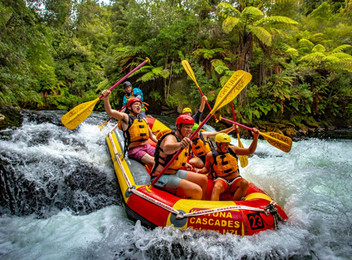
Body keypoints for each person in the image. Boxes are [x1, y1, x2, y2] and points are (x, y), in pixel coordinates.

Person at [151, 115, 208, 200]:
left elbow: (175, 158)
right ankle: (193, 210)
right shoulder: (170, 137)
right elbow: (167, 148)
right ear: (178, 126)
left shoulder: (185, 138)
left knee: (204, 179)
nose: (189, 130)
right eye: (186, 127)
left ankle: (202, 205)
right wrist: (180, 144)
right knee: (197, 190)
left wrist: (185, 163)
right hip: (160, 176)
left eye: (190, 128)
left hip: (175, 172)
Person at [197, 131, 259, 201]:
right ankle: (214, 207)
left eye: (228, 144)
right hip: (221, 179)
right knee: (217, 187)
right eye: (224, 144)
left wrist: (255, 137)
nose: (227, 146)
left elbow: (250, 151)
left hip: (235, 178)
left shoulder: (233, 149)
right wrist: (198, 171)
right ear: (218, 144)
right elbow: (206, 168)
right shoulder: (210, 155)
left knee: (244, 183)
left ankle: (235, 203)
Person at [102, 89, 157, 166]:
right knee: (155, 161)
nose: (138, 106)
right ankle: (156, 177)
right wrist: (106, 98)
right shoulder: (126, 118)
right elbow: (110, 111)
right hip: (135, 150)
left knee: (163, 158)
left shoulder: (143, 119)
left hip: (146, 146)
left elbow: (152, 136)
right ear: (130, 108)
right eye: (136, 104)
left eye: (139, 105)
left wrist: (161, 144)